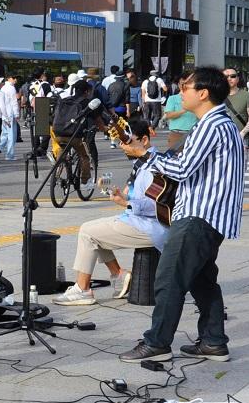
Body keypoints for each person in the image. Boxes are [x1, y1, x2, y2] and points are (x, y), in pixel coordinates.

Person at [118, 68, 245, 363]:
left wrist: (145, 155)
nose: (181, 93)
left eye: (186, 88)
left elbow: (182, 169)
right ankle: (214, 342)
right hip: (211, 216)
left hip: (199, 215)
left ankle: (158, 342)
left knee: (168, 278)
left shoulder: (212, 126)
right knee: (202, 281)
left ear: (203, 93)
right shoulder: (219, 124)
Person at [54, 119, 167, 305]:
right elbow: (130, 195)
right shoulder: (142, 163)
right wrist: (114, 193)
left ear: (144, 140)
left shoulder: (153, 166)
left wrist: (126, 202)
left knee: (87, 232)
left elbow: (156, 204)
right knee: (94, 229)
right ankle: (119, 274)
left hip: (151, 227)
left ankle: (83, 289)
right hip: (139, 220)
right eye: (121, 142)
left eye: (128, 142)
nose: (123, 147)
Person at [222, 69, 249, 154]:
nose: (229, 78)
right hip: (220, 139)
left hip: (240, 139)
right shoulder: (216, 96)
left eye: (233, 76)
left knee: (239, 167)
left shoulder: (247, 96)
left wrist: (242, 134)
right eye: (226, 76)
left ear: (237, 79)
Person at [162, 80, 197, 152]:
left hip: (194, 134)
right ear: (179, 85)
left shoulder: (197, 98)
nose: (185, 85)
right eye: (182, 83)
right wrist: (184, 110)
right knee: (174, 158)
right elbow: (169, 115)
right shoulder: (173, 98)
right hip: (176, 133)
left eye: (188, 83)